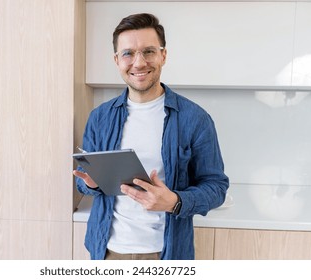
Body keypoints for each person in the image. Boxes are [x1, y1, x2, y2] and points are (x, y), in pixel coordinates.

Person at [73, 13, 229, 260]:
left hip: (166, 254)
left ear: (163, 55)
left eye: (148, 51)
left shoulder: (195, 119)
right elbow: (85, 184)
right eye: (128, 53)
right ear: (117, 60)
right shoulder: (99, 118)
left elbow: (216, 187)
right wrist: (90, 183)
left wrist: (174, 201)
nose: (138, 63)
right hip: (107, 251)